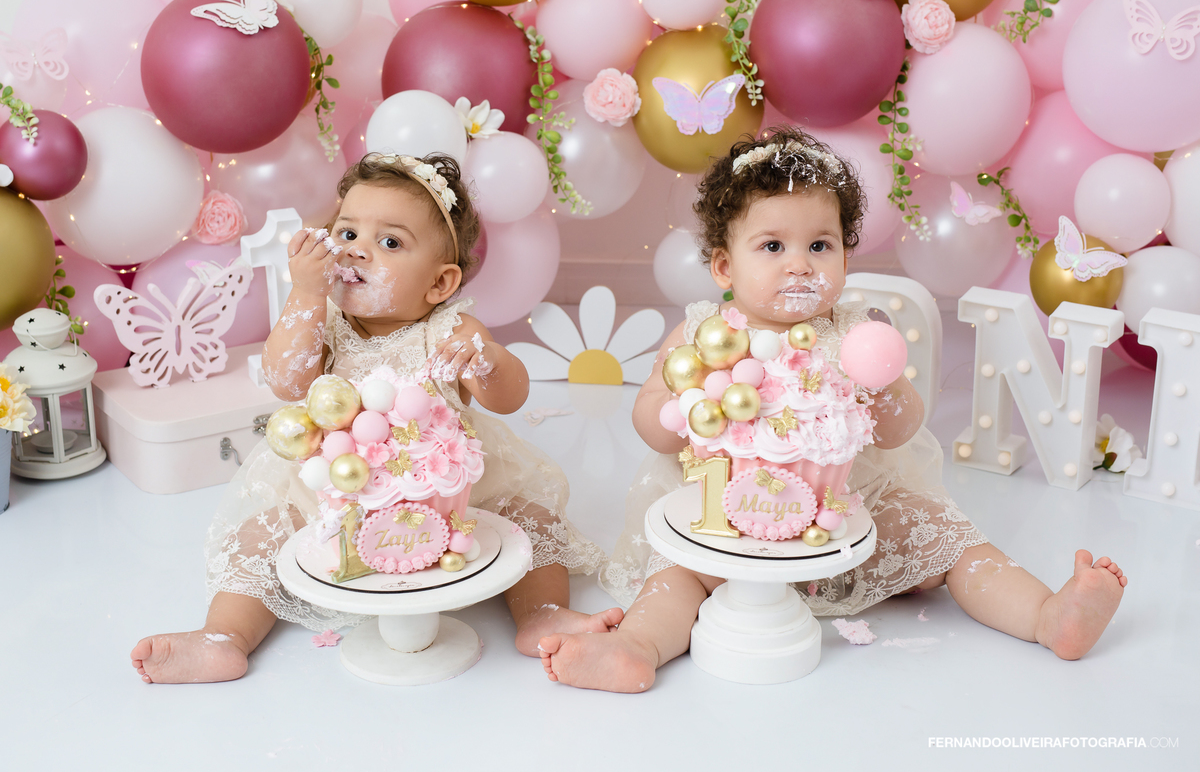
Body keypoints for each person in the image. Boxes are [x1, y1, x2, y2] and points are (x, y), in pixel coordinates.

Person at [538, 127, 1127, 693]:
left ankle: (1047, 614)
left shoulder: (855, 333)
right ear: (724, 266)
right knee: (678, 580)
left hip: (847, 512)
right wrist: (683, 403)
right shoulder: (703, 334)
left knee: (948, 541)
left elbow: (899, 429)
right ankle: (636, 648)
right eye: (772, 246)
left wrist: (881, 385)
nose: (799, 264)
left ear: (846, 258)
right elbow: (652, 423)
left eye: (820, 245)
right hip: (726, 517)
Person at [132, 152, 614, 683]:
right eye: (346, 233)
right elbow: (287, 381)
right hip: (328, 488)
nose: (358, 251)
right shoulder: (325, 322)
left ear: (439, 283)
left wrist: (490, 360)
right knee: (259, 536)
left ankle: (540, 614)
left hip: (453, 491)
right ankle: (224, 637)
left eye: (390, 242)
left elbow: (508, 399)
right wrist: (306, 294)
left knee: (530, 514)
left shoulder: (450, 328)